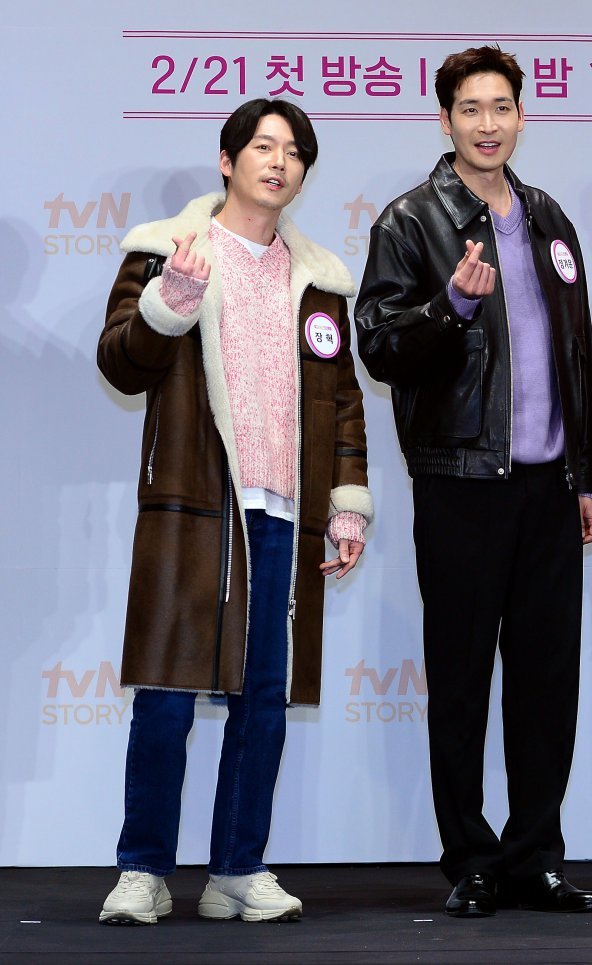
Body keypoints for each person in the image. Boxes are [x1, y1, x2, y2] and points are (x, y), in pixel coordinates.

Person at [96, 98, 372, 924]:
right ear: (227, 160)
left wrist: (348, 504)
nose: (278, 161)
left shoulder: (320, 279)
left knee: (264, 697)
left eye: (293, 151)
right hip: (194, 506)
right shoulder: (166, 250)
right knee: (168, 694)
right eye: (262, 145)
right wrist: (171, 300)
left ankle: (236, 869)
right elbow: (120, 362)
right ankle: (142, 868)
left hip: (285, 510)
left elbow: (346, 401)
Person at [355, 46, 592, 918]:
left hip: (547, 487)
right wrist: (450, 308)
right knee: (461, 681)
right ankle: (470, 857)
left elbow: (576, 359)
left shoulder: (548, 218)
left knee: (547, 682)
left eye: (503, 107)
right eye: (471, 109)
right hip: (460, 482)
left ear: (522, 116)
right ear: (445, 119)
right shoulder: (411, 220)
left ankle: (536, 855)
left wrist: (586, 477)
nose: (488, 124)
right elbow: (379, 346)